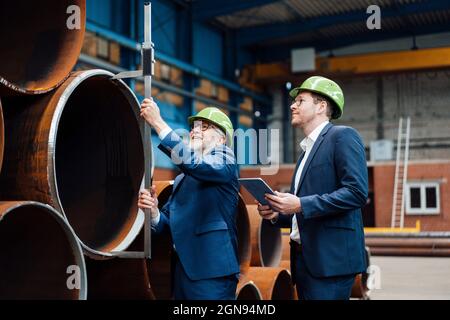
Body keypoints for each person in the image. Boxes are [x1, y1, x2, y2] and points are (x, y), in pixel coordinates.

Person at [257, 76, 368, 300]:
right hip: (305, 262)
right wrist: (277, 212)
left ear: (321, 106)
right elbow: (304, 212)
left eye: (300, 100)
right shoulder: (306, 151)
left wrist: (300, 203)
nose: (292, 105)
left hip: (331, 264)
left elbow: (356, 192)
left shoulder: (342, 137)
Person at [138, 98, 240, 300]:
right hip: (183, 272)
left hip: (211, 273)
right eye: (194, 127)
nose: (196, 130)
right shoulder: (182, 179)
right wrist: (155, 212)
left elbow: (196, 165)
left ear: (221, 140)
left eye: (206, 127)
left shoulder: (225, 159)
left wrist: (159, 123)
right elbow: (168, 224)